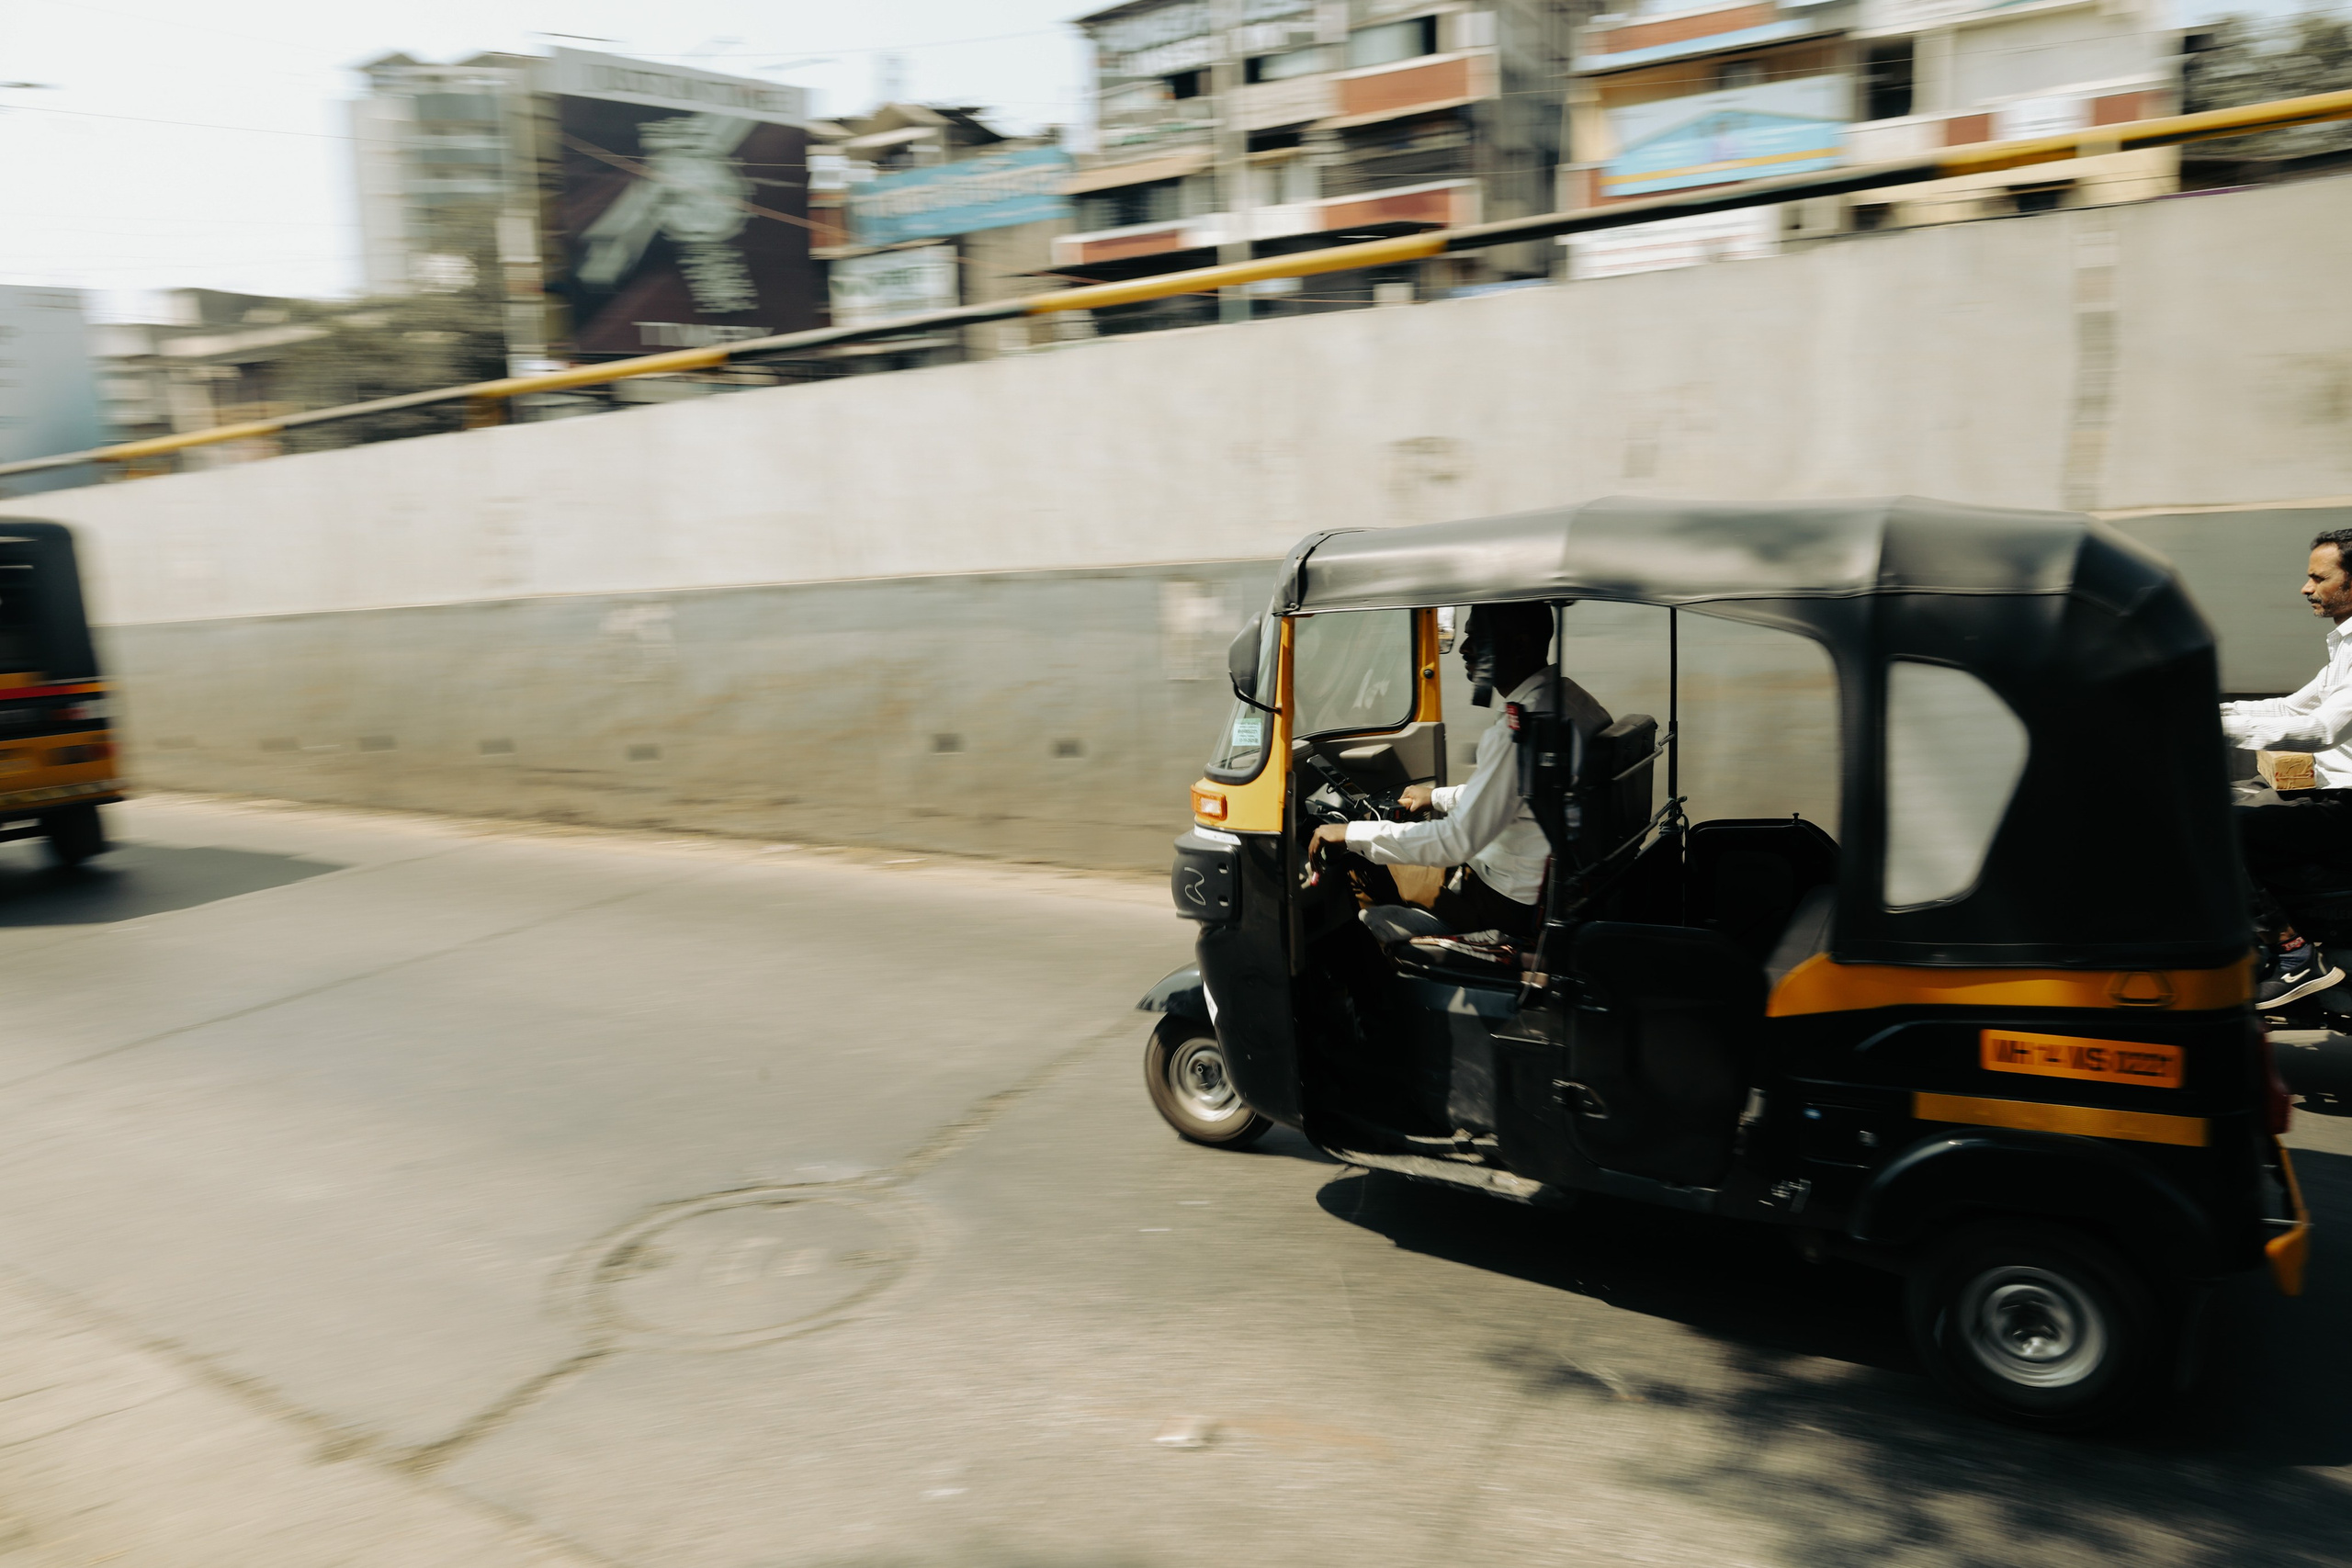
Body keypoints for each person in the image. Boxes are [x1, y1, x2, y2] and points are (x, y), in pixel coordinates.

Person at [1308, 601, 1611, 944]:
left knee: (1356, 871)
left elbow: (1456, 841)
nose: (1464, 649)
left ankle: (1383, 978)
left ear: (1520, 646)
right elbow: (1520, 796)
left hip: (1501, 906)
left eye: (1478, 638)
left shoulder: (1520, 732)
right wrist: (1435, 796)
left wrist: (1349, 834)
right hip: (1539, 887)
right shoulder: (1573, 700)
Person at [2219, 525, 2352, 1007]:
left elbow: (2320, 731)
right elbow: (2294, 707)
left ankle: (2292, 951)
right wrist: (2205, 712)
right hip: (2328, 791)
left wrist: (2210, 730)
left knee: (2213, 828)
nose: (2306, 587)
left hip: (2344, 804)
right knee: (2231, 797)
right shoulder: (2345, 646)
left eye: (2318, 578)